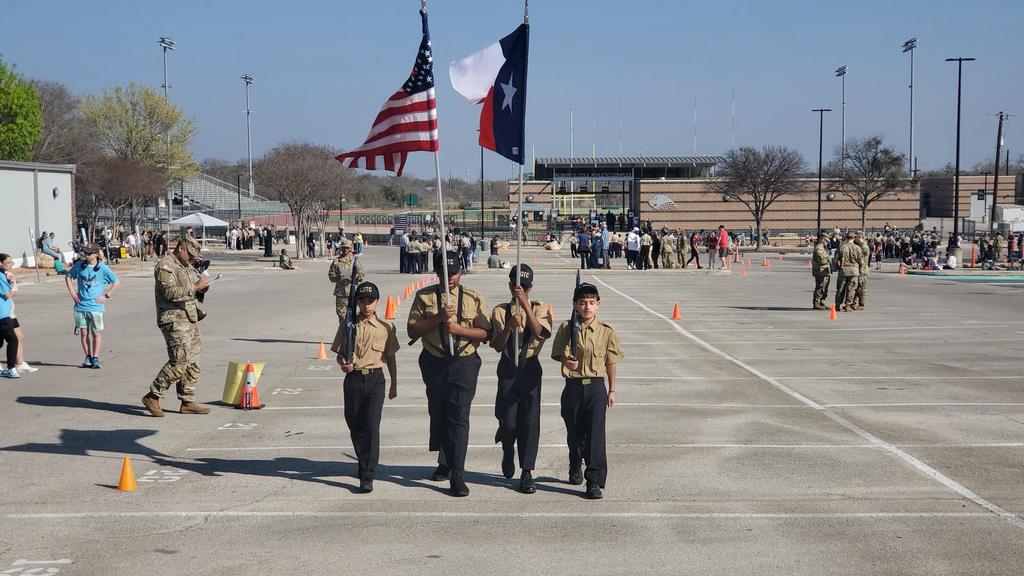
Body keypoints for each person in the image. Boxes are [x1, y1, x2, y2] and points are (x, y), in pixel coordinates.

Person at [407, 251, 491, 497]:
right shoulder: (425, 297)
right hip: (434, 360)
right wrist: (439, 318)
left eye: (454, 273)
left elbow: (486, 333)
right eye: (445, 274)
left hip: (464, 362)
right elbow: (412, 331)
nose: (450, 278)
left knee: (459, 416)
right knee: (439, 411)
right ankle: (444, 460)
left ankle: (458, 473)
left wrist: (459, 329)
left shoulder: (473, 297)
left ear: (461, 271)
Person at [550, 282, 623, 499]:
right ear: (575, 305)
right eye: (582, 303)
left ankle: (594, 481)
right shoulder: (566, 327)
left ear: (598, 305)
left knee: (595, 435)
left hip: (596, 387)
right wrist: (566, 360)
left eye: (592, 303)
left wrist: (612, 390)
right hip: (572, 387)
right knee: (575, 434)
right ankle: (575, 461)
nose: (587, 307)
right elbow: (557, 353)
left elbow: (611, 361)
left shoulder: (606, 331)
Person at [331, 281, 399, 493]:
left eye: (371, 301)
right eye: (362, 300)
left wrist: (394, 384)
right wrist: (343, 363)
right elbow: (340, 353)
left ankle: (367, 473)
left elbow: (390, 357)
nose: (366, 305)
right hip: (353, 380)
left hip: (375, 379)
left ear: (377, 302)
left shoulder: (386, 328)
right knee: (355, 425)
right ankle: (363, 460)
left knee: (371, 426)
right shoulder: (348, 326)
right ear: (357, 302)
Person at [489, 264, 552, 494]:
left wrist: (524, 304)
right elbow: (496, 345)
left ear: (531, 287)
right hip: (508, 365)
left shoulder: (539, 307)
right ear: (509, 285)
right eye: (517, 286)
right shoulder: (499, 311)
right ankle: (507, 446)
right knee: (507, 419)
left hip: (530, 366)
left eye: (525, 286)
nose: (520, 289)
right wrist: (509, 326)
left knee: (529, 420)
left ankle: (526, 471)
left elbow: (540, 332)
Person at [142, 236, 210, 417]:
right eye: (190, 254)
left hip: (190, 316)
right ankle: (153, 395)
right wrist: (195, 288)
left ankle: (187, 400)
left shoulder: (186, 266)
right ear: (180, 248)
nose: (192, 258)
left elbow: (194, 287)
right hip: (173, 319)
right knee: (178, 361)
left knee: (193, 361)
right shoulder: (166, 266)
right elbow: (169, 292)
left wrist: (202, 289)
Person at [65, 243, 120, 369]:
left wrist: (106, 296)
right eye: (85, 252)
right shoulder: (79, 265)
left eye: (89, 253)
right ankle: (88, 357)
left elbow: (116, 281)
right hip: (80, 306)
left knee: (96, 333)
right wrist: (73, 293)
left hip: (95, 306)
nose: (86, 255)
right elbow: (68, 277)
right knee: (84, 333)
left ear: (96, 254)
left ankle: (95, 357)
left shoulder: (102, 268)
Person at [329, 239, 365, 324]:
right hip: (341, 294)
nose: (345, 250)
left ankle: (352, 335)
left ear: (351, 249)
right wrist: (338, 277)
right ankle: (343, 335)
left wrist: (354, 277)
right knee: (342, 316)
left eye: (347, 248)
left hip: (352, 293)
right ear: (341, 248)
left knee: (353, 316)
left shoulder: (355, 261)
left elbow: (361, 275)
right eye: (343, 248)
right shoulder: (336, 262)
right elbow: (331, 276)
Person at [0, 254, 21, 378]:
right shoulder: (2, 276)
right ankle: (11, 368)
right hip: (3, 315)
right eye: (8, 262)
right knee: (13, 340)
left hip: (4, 314)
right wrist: (13, 286)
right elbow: (7, 294)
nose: (10, 264)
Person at [834, 232, 862, 312]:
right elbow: (861, 261)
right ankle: (847, 305)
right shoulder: (857, 248)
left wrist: (838, 267)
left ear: (846, 238)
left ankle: (837, 304)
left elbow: (836, 259)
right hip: (854, 271)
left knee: (840, 289)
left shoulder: (841, 247)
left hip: (843, 271)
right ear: (853, 238)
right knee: (851, 289)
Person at [811, 233, 832, 310]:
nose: (827, 242)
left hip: (824, 270)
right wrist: (829, 258)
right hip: (820, 271)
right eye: (826, 240)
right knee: (820, 287)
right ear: (822, 239)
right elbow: (822, 260)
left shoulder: (823, 248)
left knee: (824, 288)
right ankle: (816, 303)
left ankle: (822, 302)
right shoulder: (819, 248)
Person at [853, 232, 869, 311]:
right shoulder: (860, 246)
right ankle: (854, 303)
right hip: (859, 269)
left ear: (860, 237)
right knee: (856, 287)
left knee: (861, 288)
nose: (854, 239)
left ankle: (861, 304)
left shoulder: (864, 247)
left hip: (863, 270)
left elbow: (861, 257)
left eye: (856, 237)